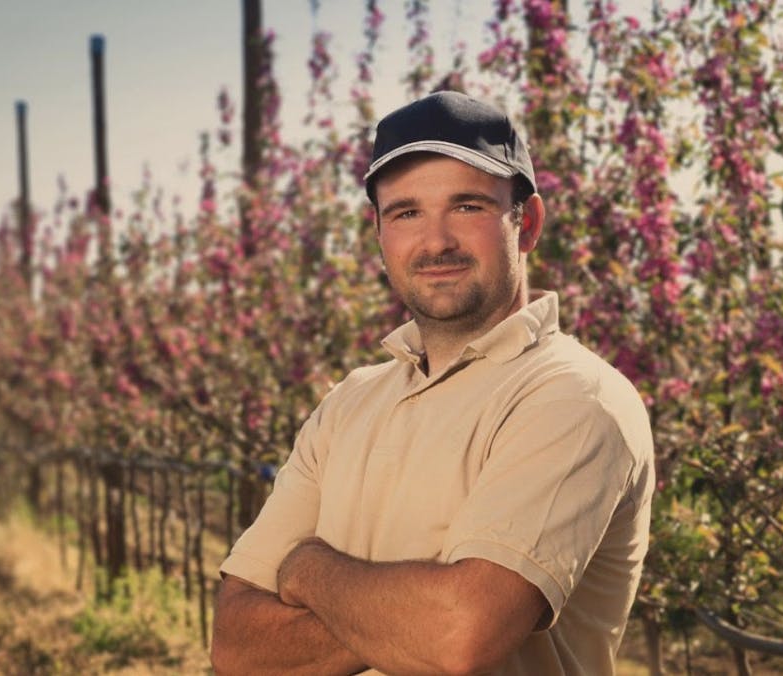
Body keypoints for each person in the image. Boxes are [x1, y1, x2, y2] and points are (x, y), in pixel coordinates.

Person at [211, 90, 655, 675]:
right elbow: (237, 647)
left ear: (528, 224)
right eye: (406, 213)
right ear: (379, 234)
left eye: (468, 206)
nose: (436, 241)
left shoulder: (571, 397)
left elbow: (456, 637)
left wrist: (306, 569)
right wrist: (408, 610)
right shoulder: (350, 402)